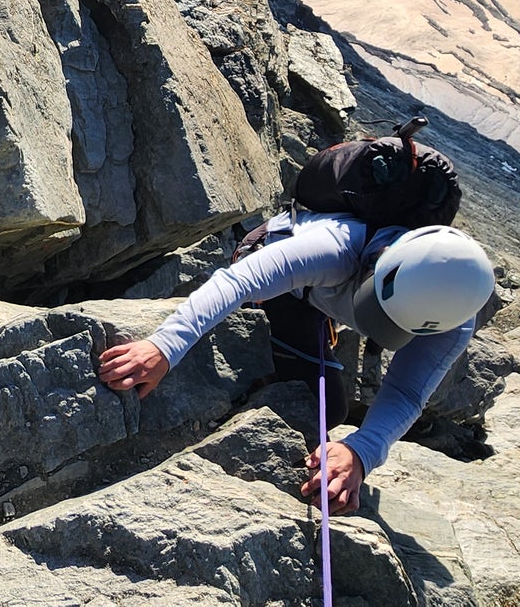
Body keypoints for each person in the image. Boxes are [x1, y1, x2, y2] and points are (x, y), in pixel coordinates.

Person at [97, 213, 495, 514]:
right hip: (285, 283)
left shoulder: (452, 323)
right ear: (383, 263)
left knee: (327, 413)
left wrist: (362, 452)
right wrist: (165, 347)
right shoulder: (337, 246)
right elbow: (238, 282)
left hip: (321, 301)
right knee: (318, 404)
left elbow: (408, 391)